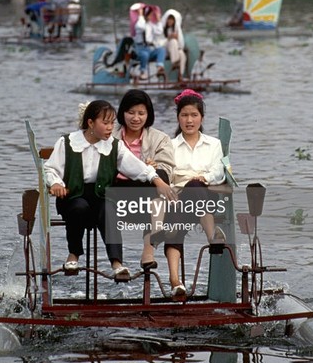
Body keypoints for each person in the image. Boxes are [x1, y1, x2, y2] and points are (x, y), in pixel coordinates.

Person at [44, 99, 177, 281]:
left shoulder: (114, 146)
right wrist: (56, 184)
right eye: (105, 123)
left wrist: (157, 180)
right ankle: (73, 255)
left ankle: (117, 264)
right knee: (79, 207)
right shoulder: (67, 142)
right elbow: (50, 169)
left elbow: (136, 167)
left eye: (112, 123)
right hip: (73, 196)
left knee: (109, 209)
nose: (110, 128)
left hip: (100, 196)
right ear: (90, 123)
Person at [154, 89, 226, 298]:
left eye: (194, 115)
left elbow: (218, 171)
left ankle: (212, 237)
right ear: (178, 117)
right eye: (184, 115)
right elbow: (166, 172)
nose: (189, 120)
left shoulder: (213, 144)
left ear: (202, 117)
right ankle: (176, 281)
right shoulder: (170, 145)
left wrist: (205, 178)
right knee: (175, 213)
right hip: (178, 197)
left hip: (205, 193)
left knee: (195, 186)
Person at [112, 89, 175, 270]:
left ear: (149, 115)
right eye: (131, 112)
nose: (136, 118)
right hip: (117, 193)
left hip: (148, 195)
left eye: (141, 113)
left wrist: (153, 167)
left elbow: (167, 170)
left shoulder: (160, 138)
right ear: (122, 112)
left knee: (158, 180)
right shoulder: (110, 135)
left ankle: (148, 249)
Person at [133, 5, 166, 81]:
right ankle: (142, 71)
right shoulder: (139, 23)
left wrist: (158, 21)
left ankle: (159, 67)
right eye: (150, 14)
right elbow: (141, 27)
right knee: (145, 55)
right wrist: (141, 15)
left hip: (149, 48)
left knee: (161, 50)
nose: (151, 16)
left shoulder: (151, 25)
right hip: (140, 49)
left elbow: (159, 31)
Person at [161, 8, 187, 80]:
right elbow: (160, 43)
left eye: (172, 20)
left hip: (176, 50)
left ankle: (180, 75)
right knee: (173, 41)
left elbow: (181, 44)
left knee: (182, 55)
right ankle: (174, 62)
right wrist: (169, 38)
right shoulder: (163, 29)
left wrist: (177, 37)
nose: (170, 21)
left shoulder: (176, 29)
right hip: (167, 50)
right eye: (168, 19)